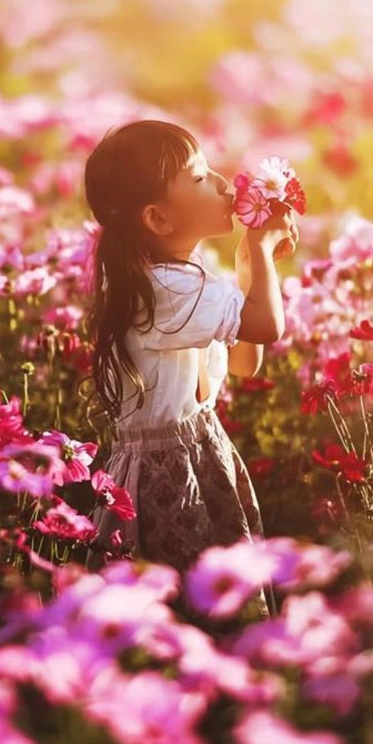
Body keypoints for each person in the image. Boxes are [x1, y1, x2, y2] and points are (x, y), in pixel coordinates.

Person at [78, 118, 297, 623]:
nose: (223, 183)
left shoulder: (186, 277)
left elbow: (245, 361)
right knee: (187, 606)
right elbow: (265, 327)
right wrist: (261, 250)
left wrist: (247, 263)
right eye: (199, 178)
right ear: (157, 219)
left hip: (201, 451)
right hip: (168, 474)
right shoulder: (163, 292)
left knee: (212, 597)